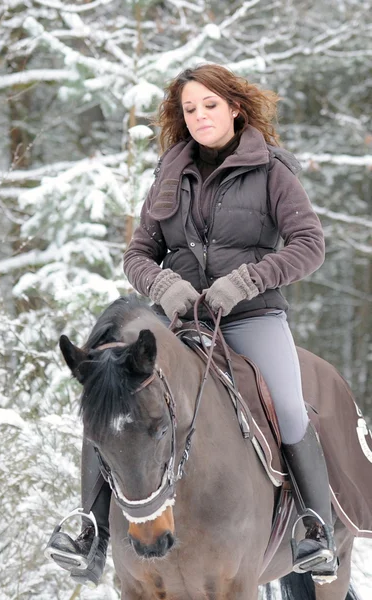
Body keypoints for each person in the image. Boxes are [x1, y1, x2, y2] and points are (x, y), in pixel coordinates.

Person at [45, 63, 337, 586]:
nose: (199, 116)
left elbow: (310, 246)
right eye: (189, 108)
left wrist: (243, 282)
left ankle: (316, 530)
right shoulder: (169, 174)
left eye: (210, 105)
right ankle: (91, 529)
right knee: (115, 402)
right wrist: (164, 287)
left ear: (235, 108)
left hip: (251, 318)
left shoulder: (273, 171)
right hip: (176, 323)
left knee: (290, 408)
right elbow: (138, 253)